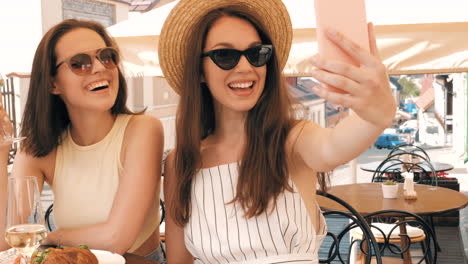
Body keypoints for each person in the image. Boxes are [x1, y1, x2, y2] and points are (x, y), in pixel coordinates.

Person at [159, 0, 396, 263]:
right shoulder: (180, 163)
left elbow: (331, 148)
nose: (245, 67)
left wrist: (375, 117)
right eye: (224, 55)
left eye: (256, 53)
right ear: (199, 71)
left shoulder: (291, 140)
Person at [0, 19, 165, 263]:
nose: (100, 67)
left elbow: (116, 239)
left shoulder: (143, 129)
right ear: (53, 84)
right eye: (80, 63)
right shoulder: (41, 148)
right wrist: (2, 153)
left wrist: (53, 237)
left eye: (106, 56)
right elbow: (5, 240)